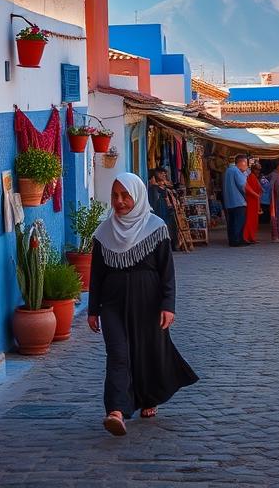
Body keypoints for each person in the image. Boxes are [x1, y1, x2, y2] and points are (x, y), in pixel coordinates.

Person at [88, 172, 199, 436]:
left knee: (147, 350)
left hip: (148, 302)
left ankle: (148, 399)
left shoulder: (156, 227)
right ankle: (116, 410)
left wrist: (168, 305)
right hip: (112, 303)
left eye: (125, 195)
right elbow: (97, 274)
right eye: (115, 196)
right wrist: (93, 310)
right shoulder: (104, 232)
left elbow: (166, 271)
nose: (120, 201)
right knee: (118, 354)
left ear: (137, 196)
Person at [148, 168, 179, 251]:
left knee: (170, 226)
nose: (164, 175)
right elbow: (154, 201)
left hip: (166, 210)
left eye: (164, 173)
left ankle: (172, 243)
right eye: (161, 173)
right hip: (160, 210)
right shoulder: (154, 188)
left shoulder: (165, 186)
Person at [221, 154, 249, 247]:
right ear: (241, 162)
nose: (247, 165)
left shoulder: (227, 170)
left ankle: (232, 240)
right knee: (239, 222)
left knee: (232, 222)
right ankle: (237, 240)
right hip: (238, 201)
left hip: (229, 201)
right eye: (246, 163)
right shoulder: (236, 171)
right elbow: (243, 186)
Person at [243, 160, 263, 244]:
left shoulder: (254, 177)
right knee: (250, 219)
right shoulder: (251, 177)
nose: (257, 171)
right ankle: (247, 237)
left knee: (253, 220)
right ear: (253, 169)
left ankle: (251, 236)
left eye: (259, 169)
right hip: (252, 200)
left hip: (255, 200)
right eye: (256, 169)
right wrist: (256, 194)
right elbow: (249, 189)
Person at [267, 160, 279, 242]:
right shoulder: (274, 174)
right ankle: (275, 236)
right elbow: (271, 186)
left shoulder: (278, 174)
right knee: (275, 217)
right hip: (275, 198)